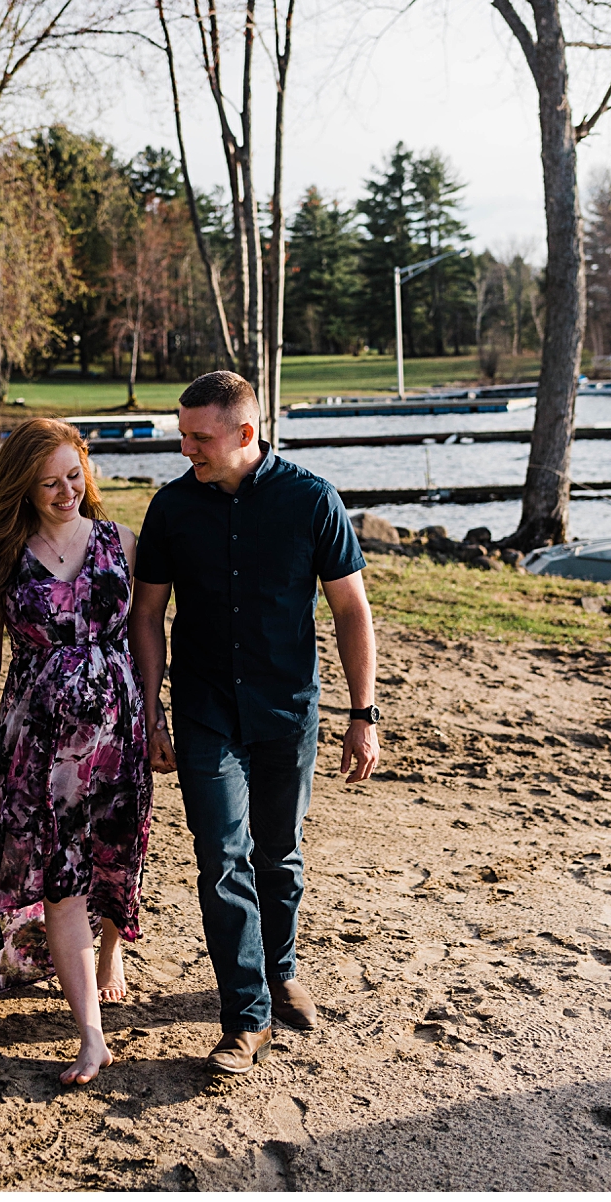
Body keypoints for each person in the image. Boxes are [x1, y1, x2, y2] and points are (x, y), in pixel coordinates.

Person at [129, 371, 380, 1076]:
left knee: (279, 855)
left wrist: (363, 715)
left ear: (245, 433)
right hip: (206, 711)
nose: (186, 450)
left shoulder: (311, 501)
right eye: (181, 435)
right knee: (222, 861)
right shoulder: (172, 509)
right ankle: (246, 1018)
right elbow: (148, 614)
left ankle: (282, 969)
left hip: (286, 713)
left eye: (199, 437)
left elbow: (351, 611)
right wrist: (149, 710)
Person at [0, 418, 152, 1087]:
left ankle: (112, 954)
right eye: (48, 483)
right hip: (37, 752)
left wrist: (156, 722)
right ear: (22, 486)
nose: (65, 491)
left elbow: (146, 640)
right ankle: (91, 1037)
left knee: (117, 854)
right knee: (59, 880)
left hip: (116, 739)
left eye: (74, 475)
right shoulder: (4, 552)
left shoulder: (123, 543)